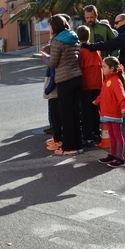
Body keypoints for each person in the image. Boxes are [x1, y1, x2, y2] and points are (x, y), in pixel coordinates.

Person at [81, 13, 125, 144]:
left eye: (116, 23)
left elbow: (111, 44)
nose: (115, 26)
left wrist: (90, 46)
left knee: (115, 96)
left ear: (123, 22)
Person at [42, 14, 83, 155]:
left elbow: (53, 63)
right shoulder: (74, 37)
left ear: (55, 26)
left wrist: (44, 57)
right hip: (77, 77)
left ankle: (69, 147)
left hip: (64, 80)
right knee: (75, 114)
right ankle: (78, 145)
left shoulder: (56, 41)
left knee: (66, 114)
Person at [94, 56, 125, 168]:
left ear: (112, 68)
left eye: (104, 67)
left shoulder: (115, 81)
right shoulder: (108, 80)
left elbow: (121, 96)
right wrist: (97, 101)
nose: (102, 69)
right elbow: (103, 94)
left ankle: (120, 158)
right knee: (112, 136)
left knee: (117, 135)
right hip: (107, 113)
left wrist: (124, 107)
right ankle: (113, 155)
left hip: (114, 113)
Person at [76, 25, 103, 147]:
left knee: (86, 111)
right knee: (95, 110)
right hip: (97, 83)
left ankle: (88, 135)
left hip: (86, 84)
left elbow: (79, 67)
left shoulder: (80, 51)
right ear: (89, 36)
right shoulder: (96, 49)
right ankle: (96, 132)